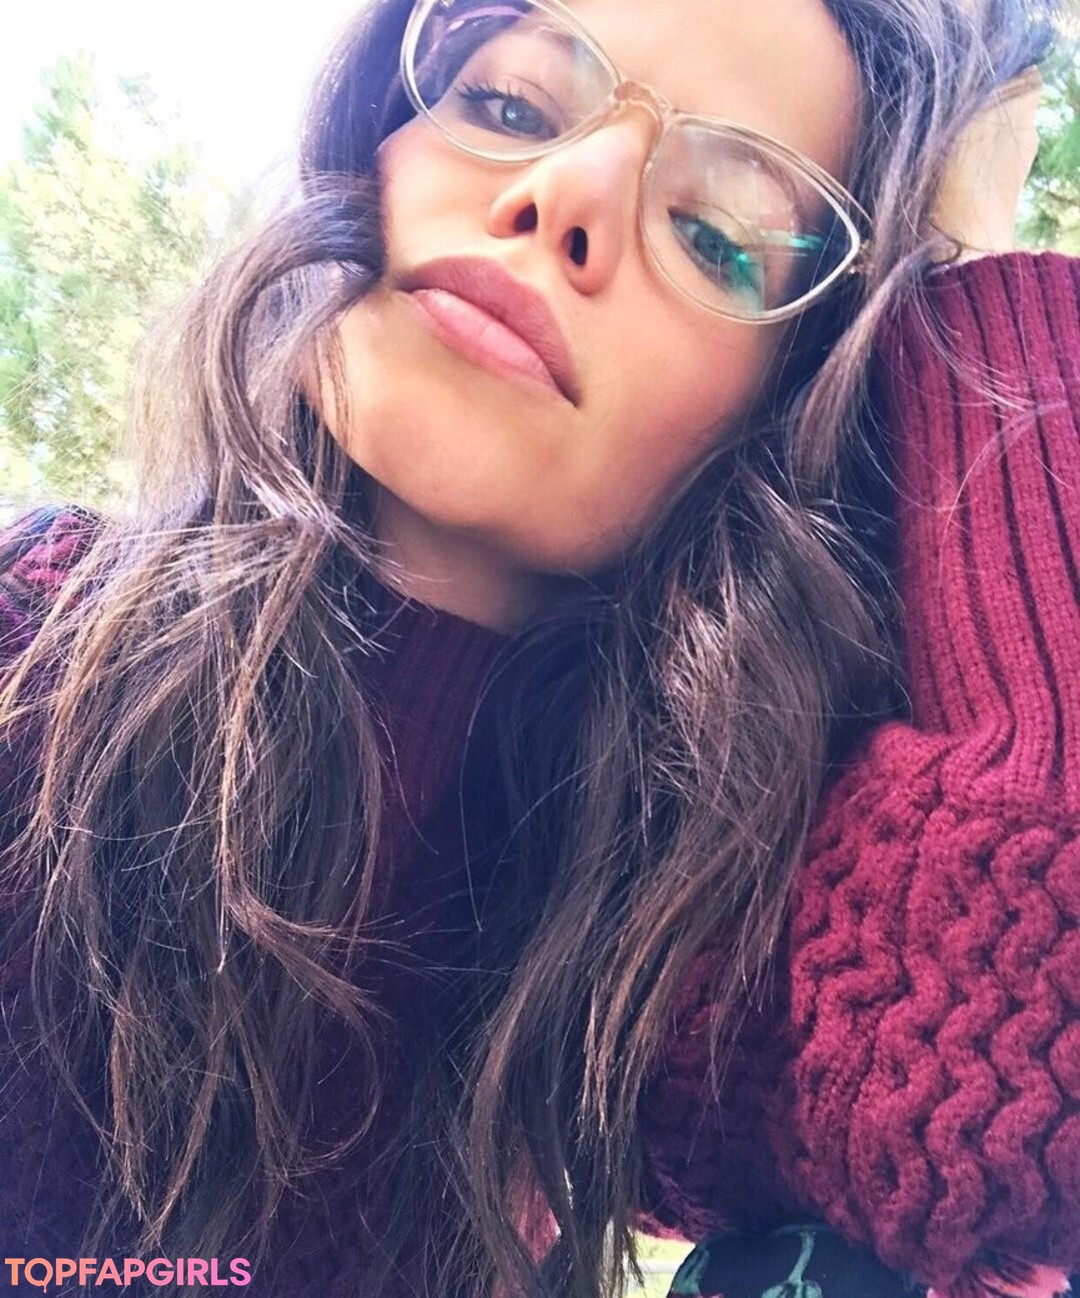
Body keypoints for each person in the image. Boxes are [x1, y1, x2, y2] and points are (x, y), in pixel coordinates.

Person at [0, 0, 1076, 1295]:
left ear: (780, 419)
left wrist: (967, 291)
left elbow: (1021, 1087)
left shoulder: (668, 959)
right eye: (509, 104)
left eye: (716, 235)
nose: (567, 190)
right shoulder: (32, 646)